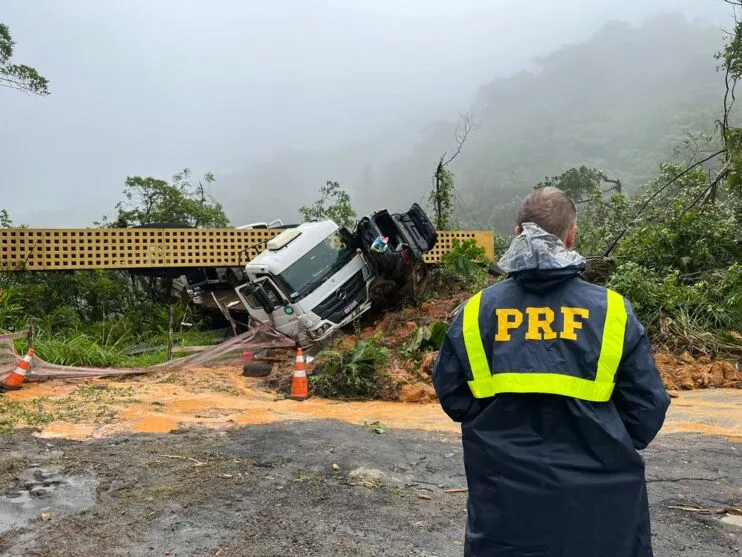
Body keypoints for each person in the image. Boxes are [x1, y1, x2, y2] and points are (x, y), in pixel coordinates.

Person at [432, 186, 671, 557]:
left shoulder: (476, 312)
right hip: (604, 516)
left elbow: (453, 396)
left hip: (506, 513)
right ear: (571, 235)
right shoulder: (613, 312)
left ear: (517, 235)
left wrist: (500, 436)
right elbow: (646, 410)